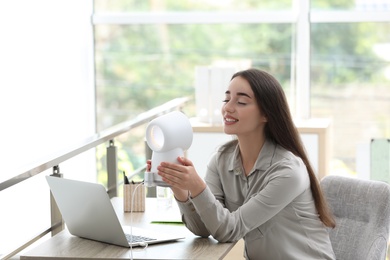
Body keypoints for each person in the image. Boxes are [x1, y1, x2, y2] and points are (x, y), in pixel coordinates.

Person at [149, 68, 336, 259]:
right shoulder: (222, 159)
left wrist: (197, 186)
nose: (228, 108)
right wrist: (179, 188)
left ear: (266, 114)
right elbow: (204, 228)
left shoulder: (288, 172)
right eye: (226, 99)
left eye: (241, 102)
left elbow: (230, 230)